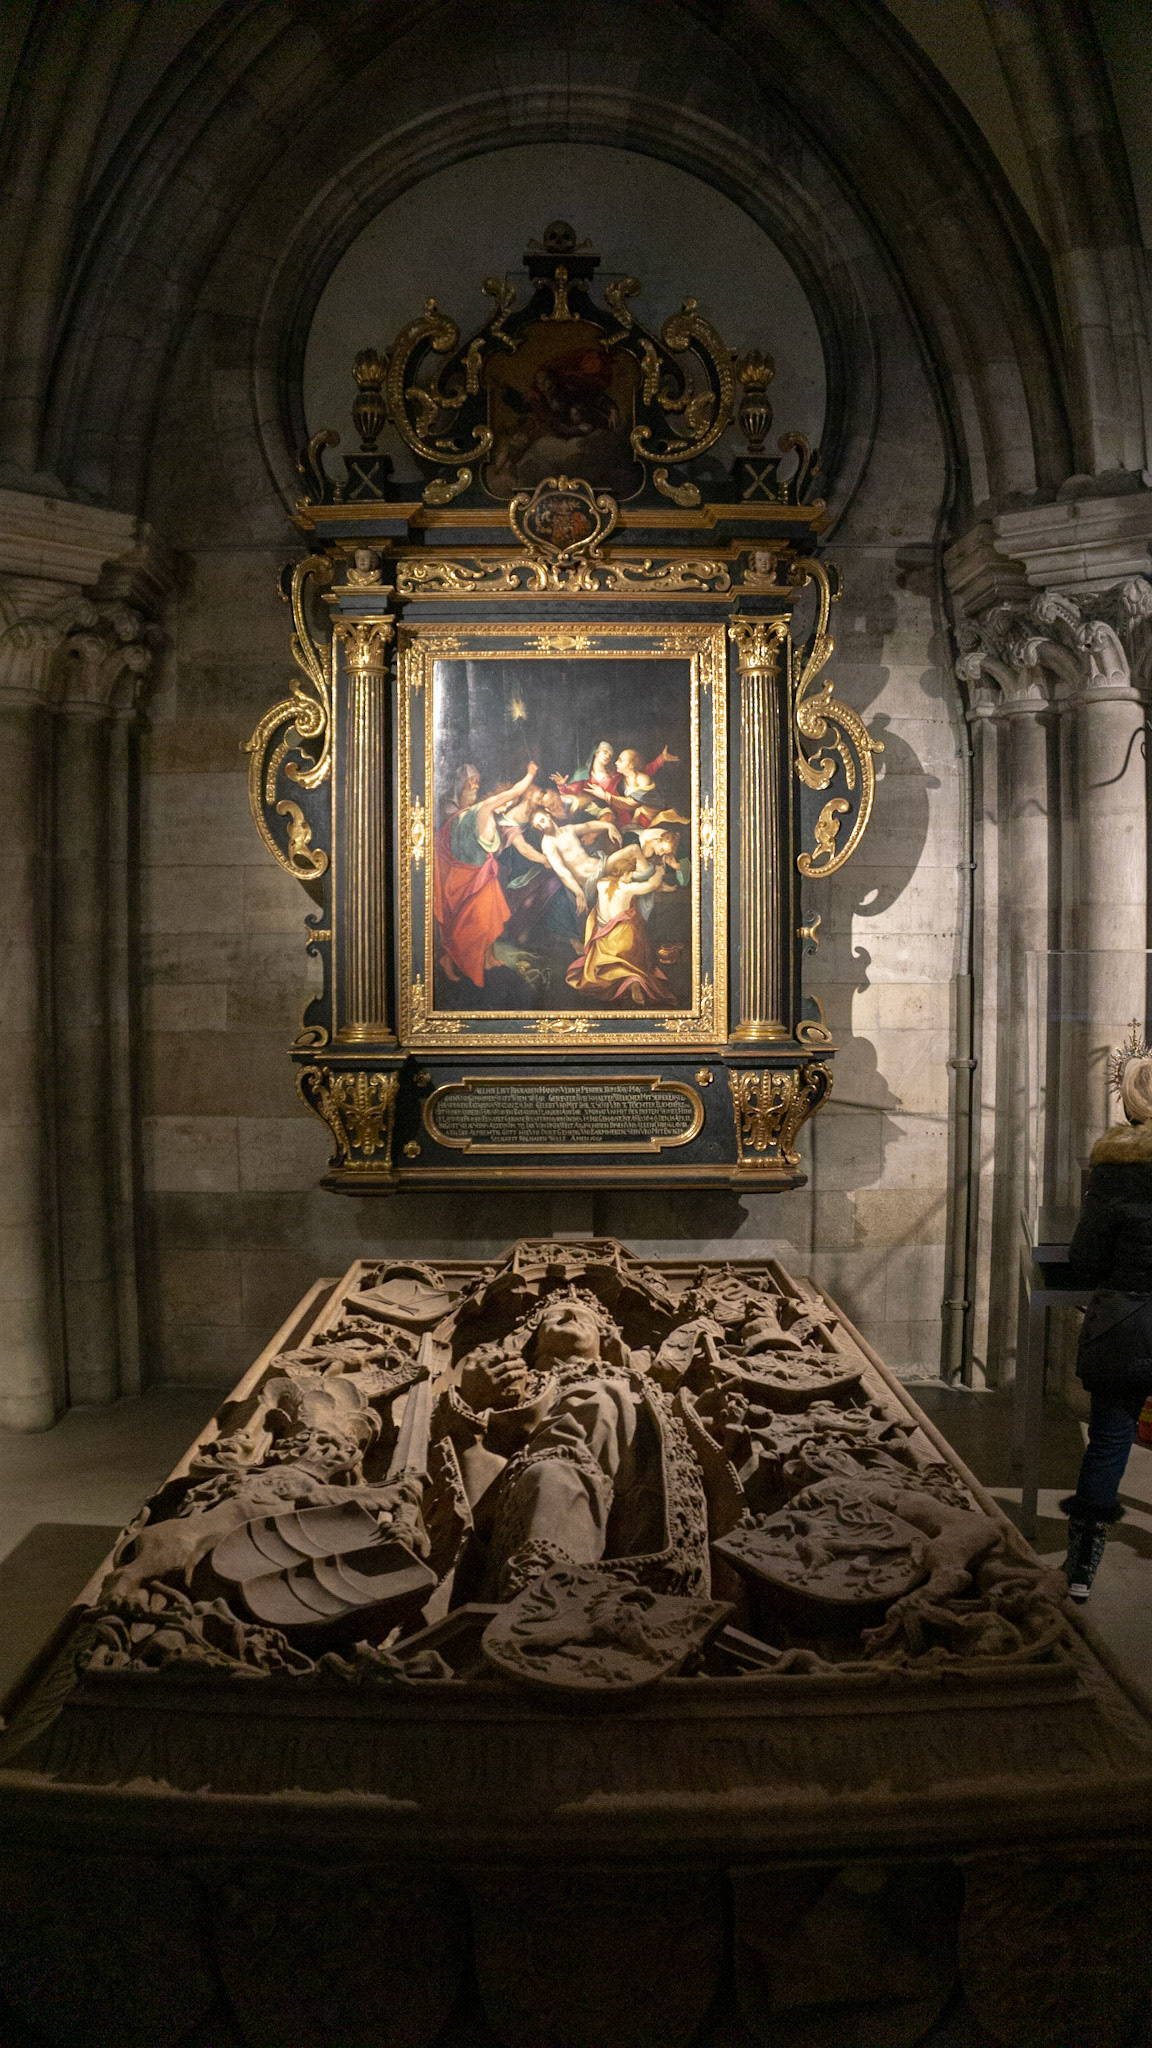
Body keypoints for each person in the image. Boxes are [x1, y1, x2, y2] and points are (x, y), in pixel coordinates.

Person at [1060, 1046, 1152, 1600]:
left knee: (1110, 1439)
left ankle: (1079, 1570)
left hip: (1125, 1325)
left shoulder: (1114, 1170)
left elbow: (1085, 1262)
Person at [433, 760, 538, 987]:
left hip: (484, 878)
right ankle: (451, 959)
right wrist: (530, 774)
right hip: (469, 878)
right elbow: (515, 791)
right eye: (506, 802)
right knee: (474, 925)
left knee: (491, 921)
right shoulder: (483, 808)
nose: (507, 806)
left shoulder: (491, 818)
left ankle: (488, 958)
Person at [565, 844, 672, 1006]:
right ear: (625, 874)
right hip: (623, 939)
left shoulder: (601, 884)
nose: (633, 876)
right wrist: (659, 871)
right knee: (636, 936)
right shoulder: (627, 888)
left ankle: (628, 979)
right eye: (631, 873)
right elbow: (651, 885)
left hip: (604, 942)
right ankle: (634, 980)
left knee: (606, 967)